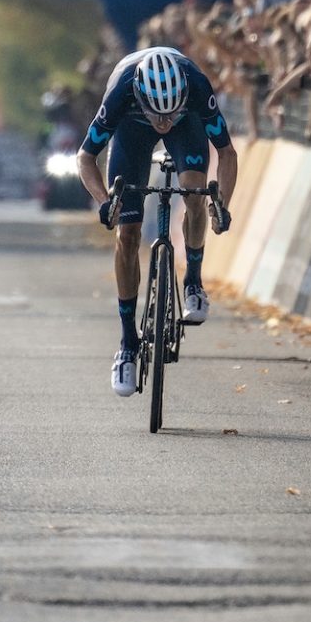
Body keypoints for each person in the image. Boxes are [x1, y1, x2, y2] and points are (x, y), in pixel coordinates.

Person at [74, 46, 239, 398]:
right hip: (133, 129)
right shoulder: (121, 93)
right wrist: (105, 203)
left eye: (170, 113)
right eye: (158, 115)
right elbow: (86, 156)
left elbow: (226, 152)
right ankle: (127, 344)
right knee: (127, 234)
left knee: (195, 193)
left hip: (188, 124)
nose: (163, 122)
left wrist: (221, 203)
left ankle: (193, 281)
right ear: (140, 95)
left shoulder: (196, 86)